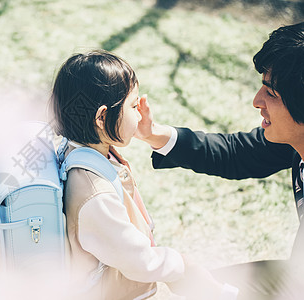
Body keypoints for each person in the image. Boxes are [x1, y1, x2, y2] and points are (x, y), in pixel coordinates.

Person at [50, 50, 238, 300]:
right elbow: (137, 260)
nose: (139, 114)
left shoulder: (85, 151)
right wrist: (181, 264)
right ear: (102, 117)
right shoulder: (94, 193)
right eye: (133, 105)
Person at [135, 22, 304, 299]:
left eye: (271, 93)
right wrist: (154, 134)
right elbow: (236, 153)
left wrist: (218, 293)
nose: (256, 100)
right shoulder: (296, 140)